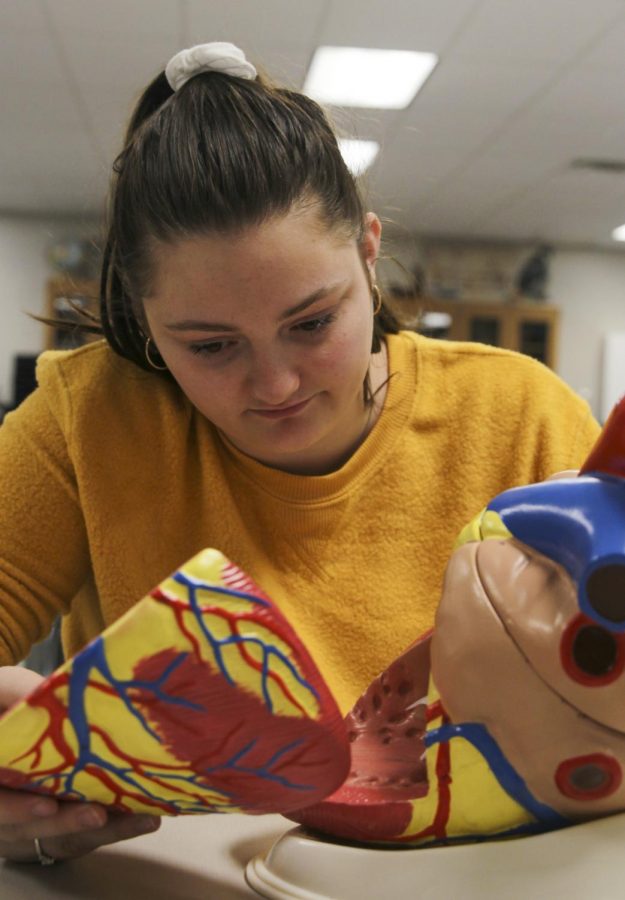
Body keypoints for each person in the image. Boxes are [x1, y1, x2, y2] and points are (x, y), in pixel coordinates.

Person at [0, 42, 600, 866]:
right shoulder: (86, 417)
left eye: (313, 323)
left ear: (368, 254)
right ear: (144, 320)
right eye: (210, 345)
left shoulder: (521, 415)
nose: (275, 383)